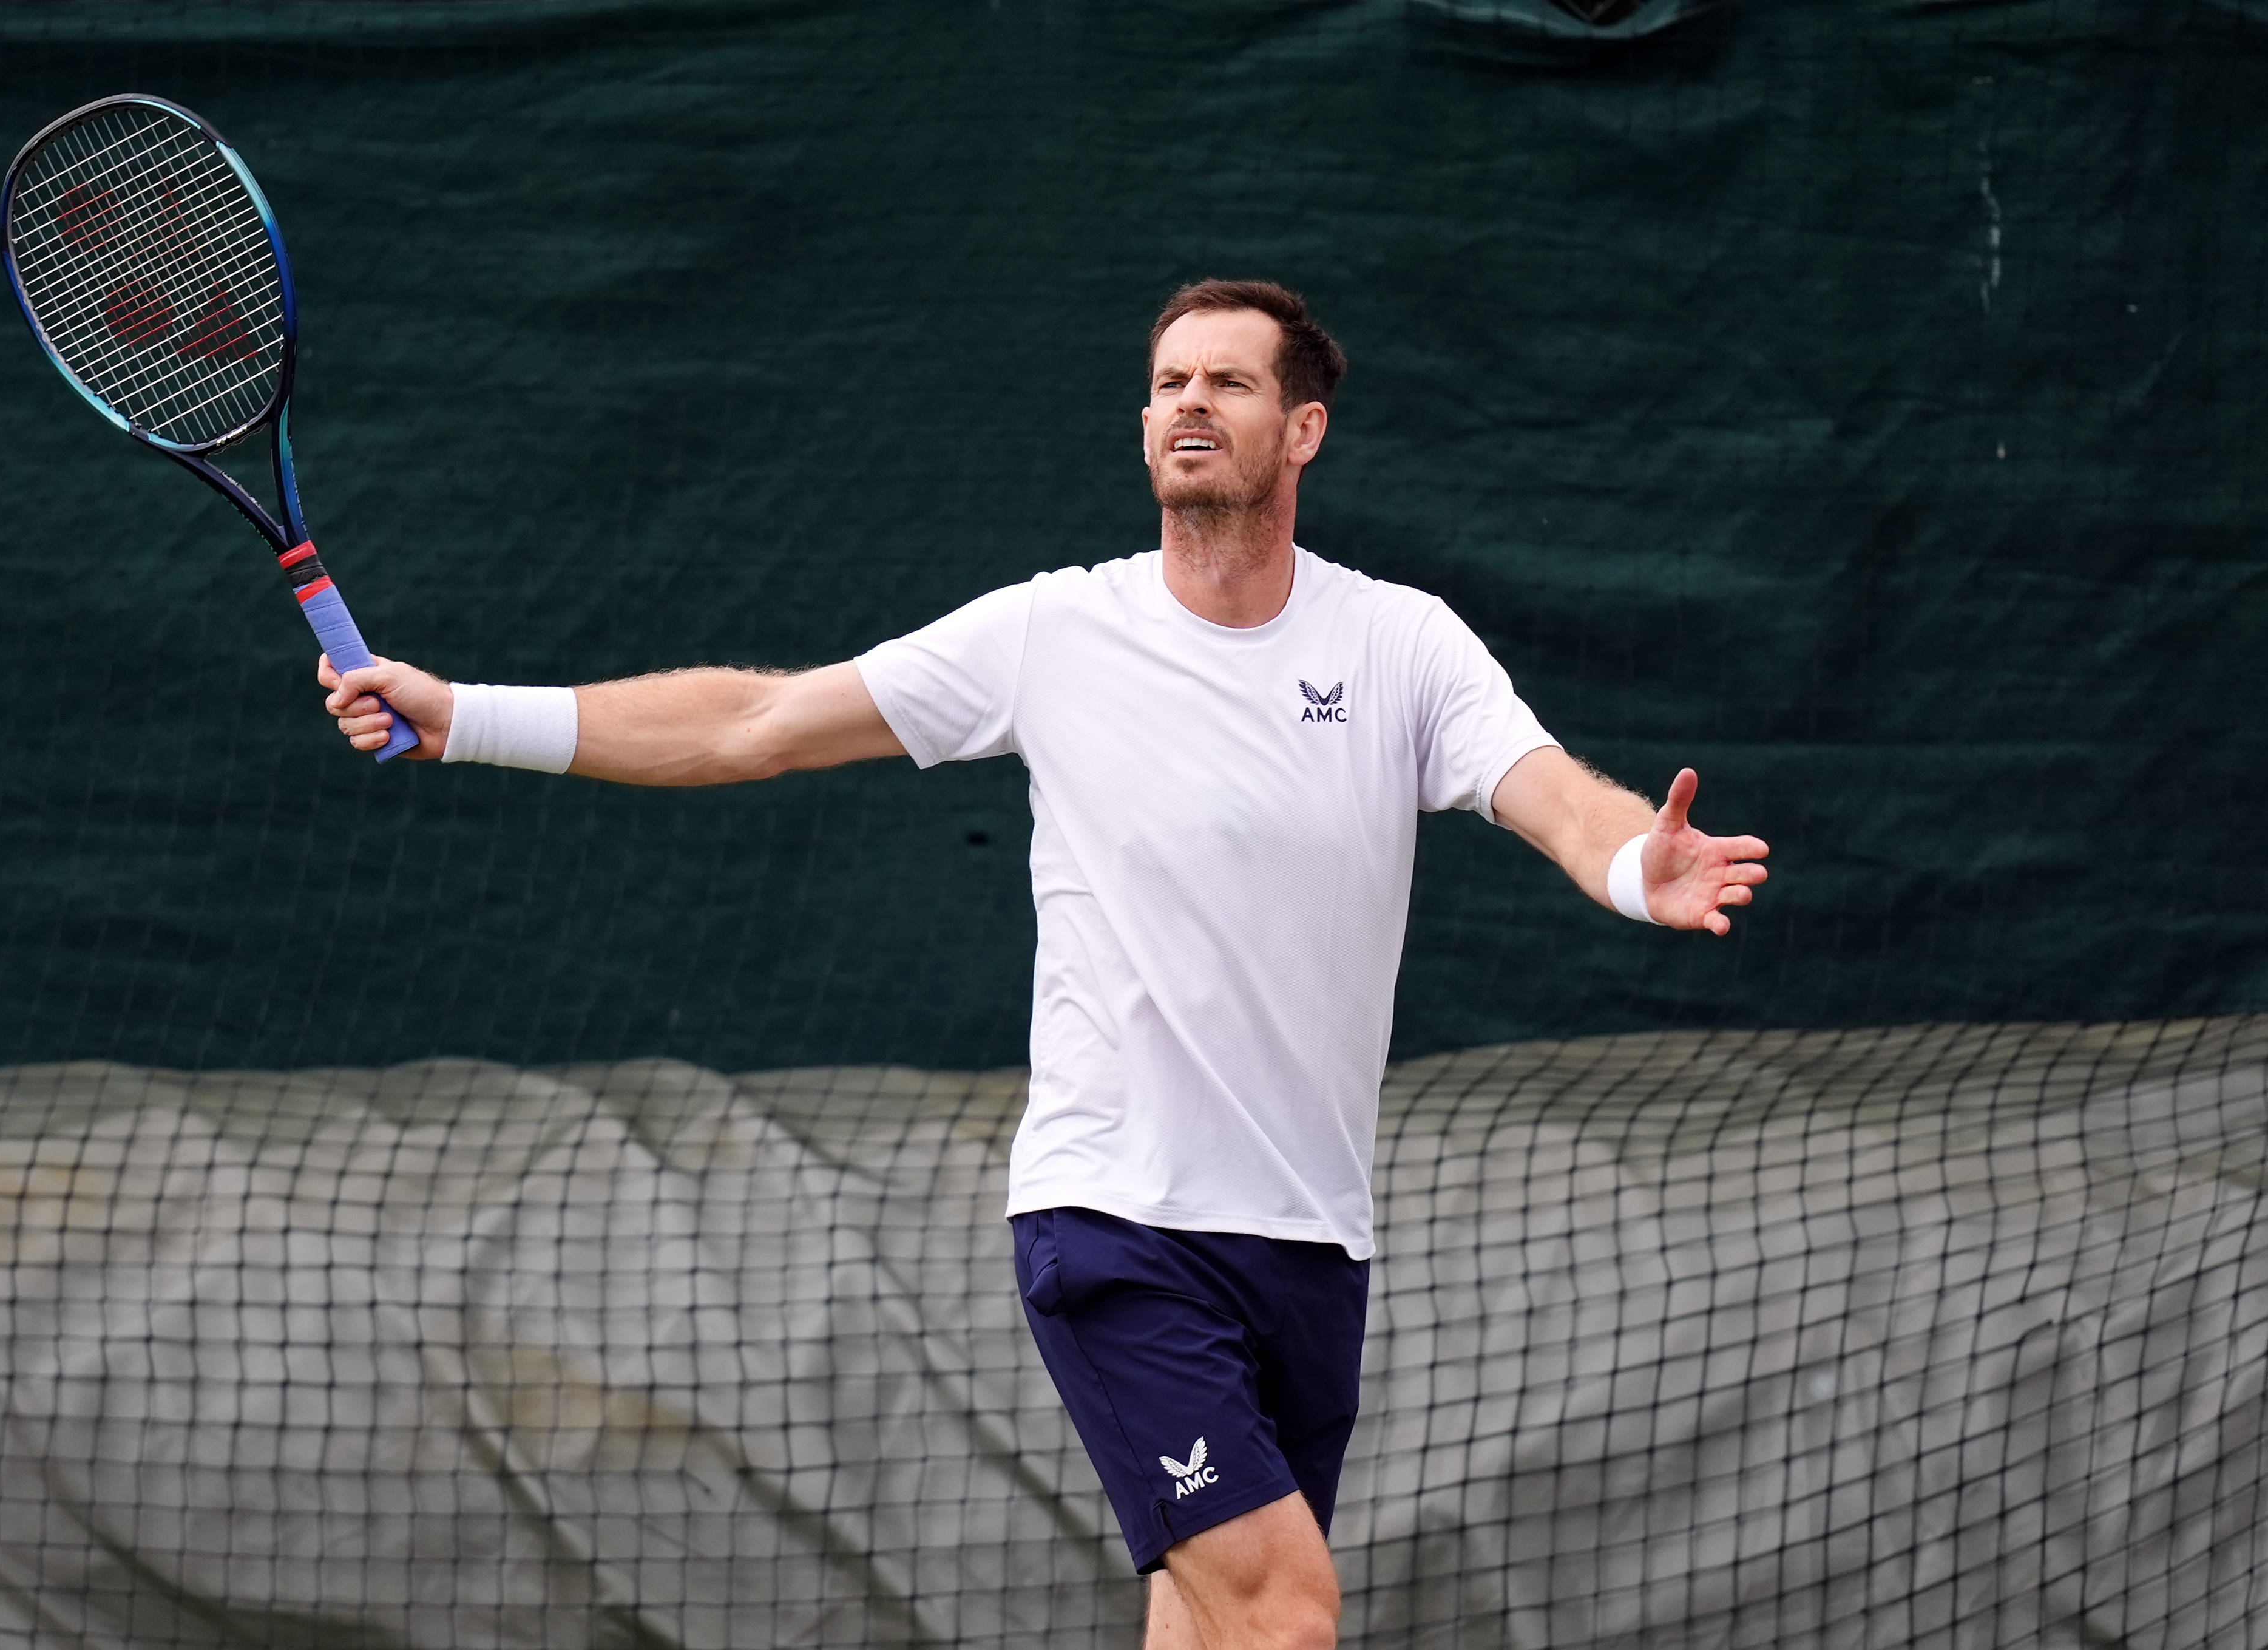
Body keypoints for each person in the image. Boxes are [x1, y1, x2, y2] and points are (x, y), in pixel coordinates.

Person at [317, 279, 1769, 1650]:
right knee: (1284, 1610)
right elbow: (753, 725)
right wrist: (466, 715)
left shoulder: (1400, 644)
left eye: (1227, 383)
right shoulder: (1053, 631)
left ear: (1303, 429)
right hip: (1118, 1224)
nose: (1187, 404)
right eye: (1165, 384)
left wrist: (1640, 866)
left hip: (1315, 1241)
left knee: (1206, 1623)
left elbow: (1548, 796)